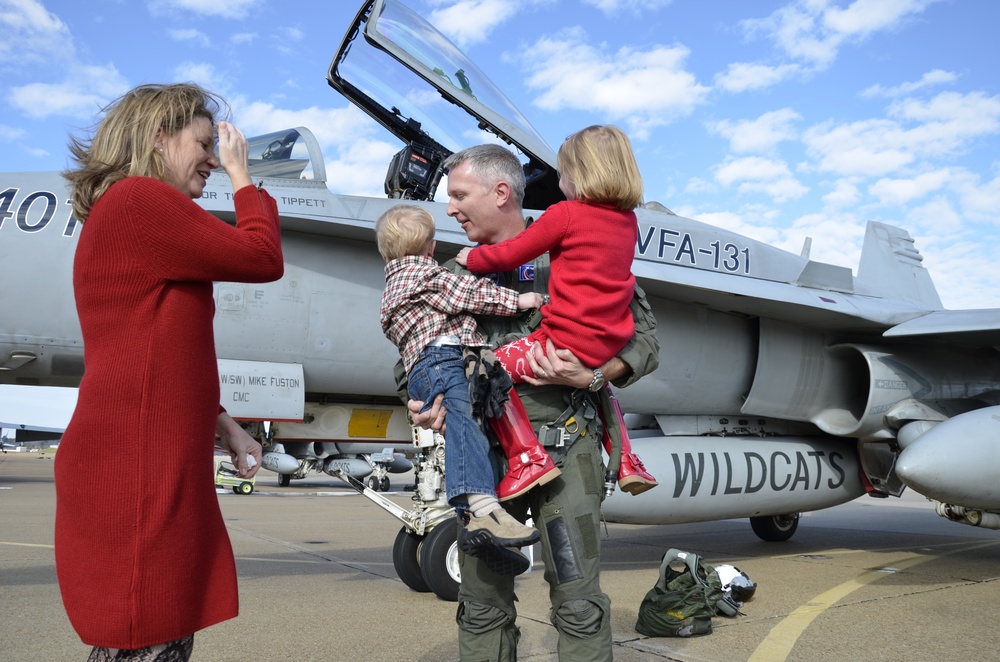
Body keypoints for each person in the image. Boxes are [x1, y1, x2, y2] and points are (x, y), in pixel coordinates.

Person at [56, 83, 284, 661]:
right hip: (137, 464)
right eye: (204, 143)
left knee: (153, 635)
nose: (213, 156)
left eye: (218, 147)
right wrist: (242, 176)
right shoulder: (139, 200)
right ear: (158, 139)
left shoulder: (132, 211)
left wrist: (223, 422)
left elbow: (151, 345)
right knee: (148, 635)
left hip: (143, 454)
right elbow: (262, 257)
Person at [411, 143, 660, 661]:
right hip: (487, 466)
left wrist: (596, 373)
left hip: (567, 455)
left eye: (458, 195)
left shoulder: (575, 243)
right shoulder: (452, 276)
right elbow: (414, 348)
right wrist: (423, 397)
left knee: (577, 601)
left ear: (500, 192)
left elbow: (646, 340)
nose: (450, 209)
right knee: (481, 602)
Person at [456, 125, 657, 499]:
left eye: (562, 173)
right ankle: (627, 457)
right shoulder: (628, 223)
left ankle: (527, 459)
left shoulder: (564, 215)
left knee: (488, 370)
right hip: (600, 343)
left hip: (563, 387)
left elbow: (513, 253)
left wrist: (472, 258)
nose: (557, 181)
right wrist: (596, 373)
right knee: (602, 383)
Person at [376, 203, 545, 575]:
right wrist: (521, 300)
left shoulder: (396, 282)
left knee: (464, 428)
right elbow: (470, 295)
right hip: (445, 360)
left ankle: (473, 520)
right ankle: (483, 508)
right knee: (467, 425)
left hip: (427, 365)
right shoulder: (430, 276)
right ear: (431, 248)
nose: (453, 207)